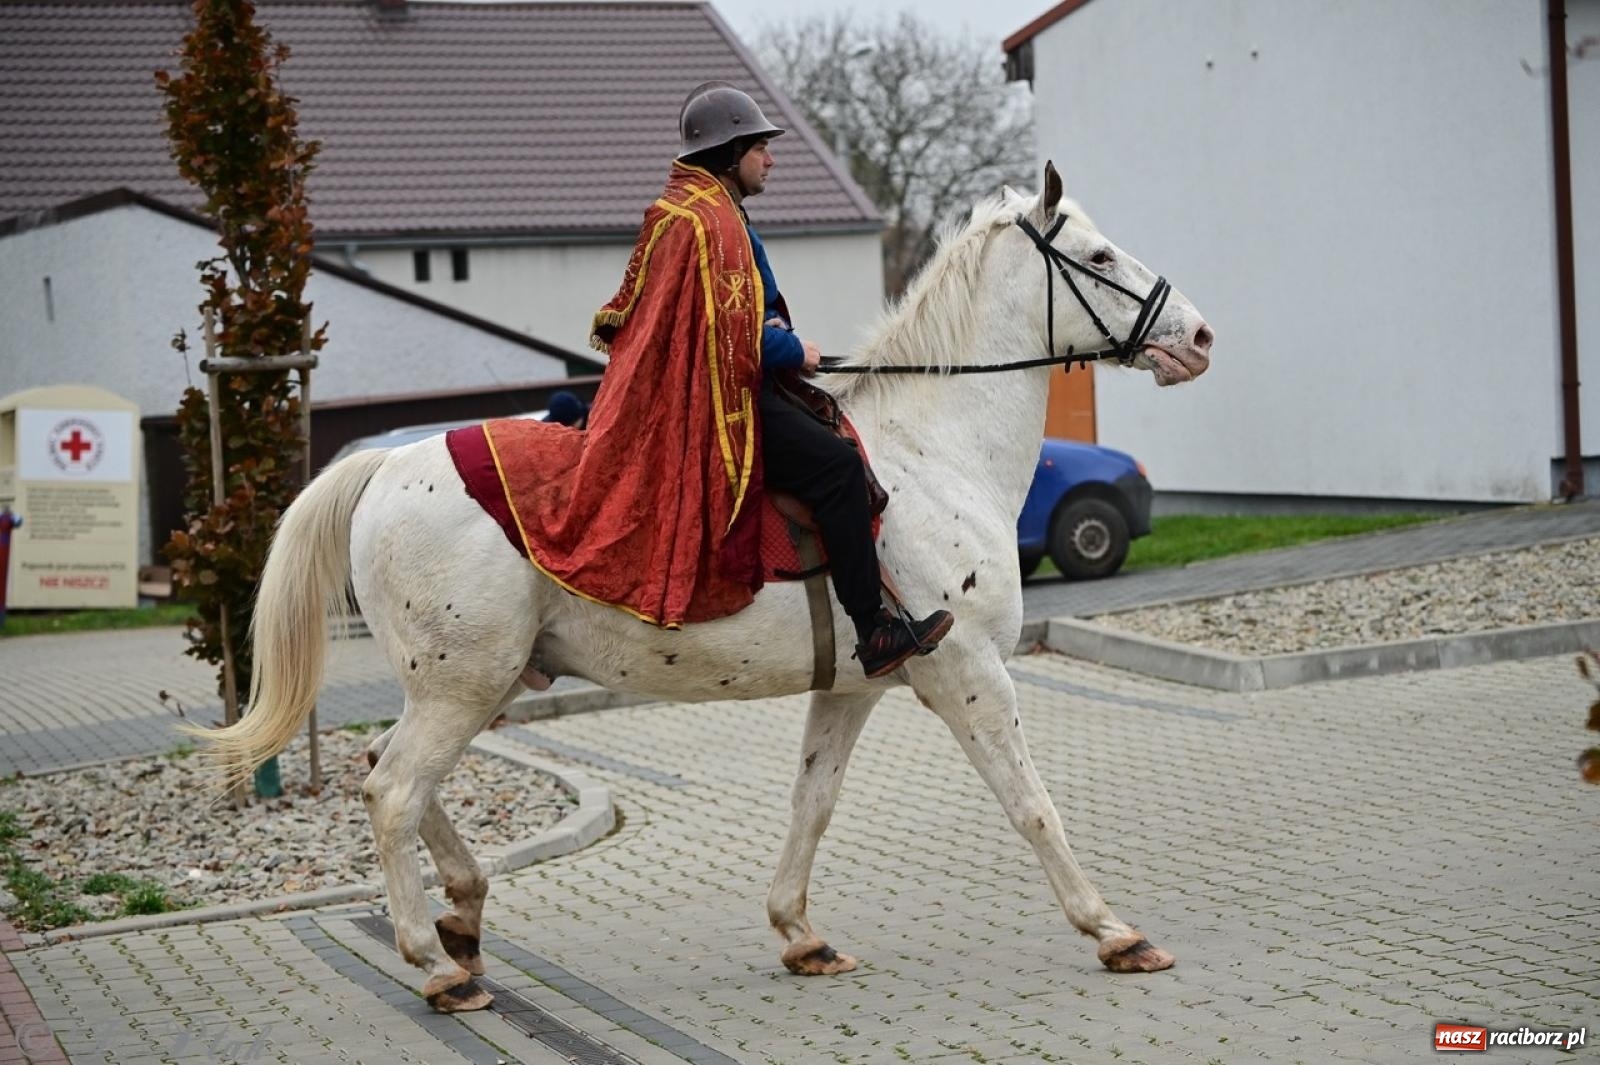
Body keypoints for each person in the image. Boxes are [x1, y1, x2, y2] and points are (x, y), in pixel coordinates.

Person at [668, 82, 952, 678]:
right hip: (728, 402)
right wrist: (794, 348)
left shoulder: (709, 212)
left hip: (740, 386)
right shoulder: (714, 223)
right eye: (760, 148)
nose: (770, 159)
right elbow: (731, 333)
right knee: (839, 466)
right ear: (730, 154)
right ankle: (873, 631)